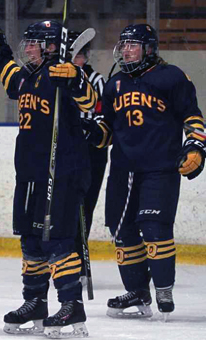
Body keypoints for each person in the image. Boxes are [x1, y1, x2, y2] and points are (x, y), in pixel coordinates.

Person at [0, 20, 98, 338]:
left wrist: (74, 78)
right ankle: (35, 303)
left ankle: (72, 306)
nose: (27, 48)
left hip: (62, 171)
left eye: (33, 43)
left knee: (56, 240)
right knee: (30, 241)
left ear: (50, 47)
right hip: (30, 173)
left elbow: (89, 101)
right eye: (26, 43)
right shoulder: (28, 77)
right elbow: (9, 77)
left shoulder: (63, 73)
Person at [83, 24, 205, 321]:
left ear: (149, 49)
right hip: (123, 170)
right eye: (123, 45)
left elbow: (193, 117)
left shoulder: (172, 77)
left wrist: (196, 147)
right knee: (121, 232)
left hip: (160, 168)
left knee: (154, 229)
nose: (125, 50)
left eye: (132, 45)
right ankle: (138, 291)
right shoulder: (115, 84)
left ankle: (163, 288)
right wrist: (86, 131)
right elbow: (106, 130)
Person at [68, 30, 108, 283]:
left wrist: (89, 128)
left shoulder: (96, 80)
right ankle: (65, 260)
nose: (76, 60)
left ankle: (79, 262)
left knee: (84, 208)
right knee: (64, 208)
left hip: (92, 153)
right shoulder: (57, 79)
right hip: (66, 152)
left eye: (80, 55)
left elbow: (103, 119)